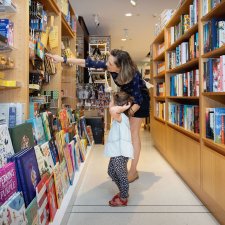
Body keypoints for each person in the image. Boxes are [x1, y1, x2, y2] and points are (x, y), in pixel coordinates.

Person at [46, 49, 150, 183]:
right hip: (128, 98)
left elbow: (139, 100)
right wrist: (63, 59)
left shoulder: (134, 75)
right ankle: (124, 165)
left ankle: (133, 171)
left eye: (111, 63)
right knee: (126, 133)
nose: (107, 64)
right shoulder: (110, 66)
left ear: (120, 67)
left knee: (133, 133)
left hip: (140, 100)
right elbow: (87, 63)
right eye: (108, 61)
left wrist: (126, 114)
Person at [105, 91, 133, 206]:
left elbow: (112, 110)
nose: (112, 104)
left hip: (121, 153)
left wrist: (125, 107)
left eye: (115, 103)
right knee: (111, 172)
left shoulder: (121, 117)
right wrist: (112, 96)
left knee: (121, 175)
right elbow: (111, 107)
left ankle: (124, 197)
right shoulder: (120, 116)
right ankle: (123, 190)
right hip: (117, 150)